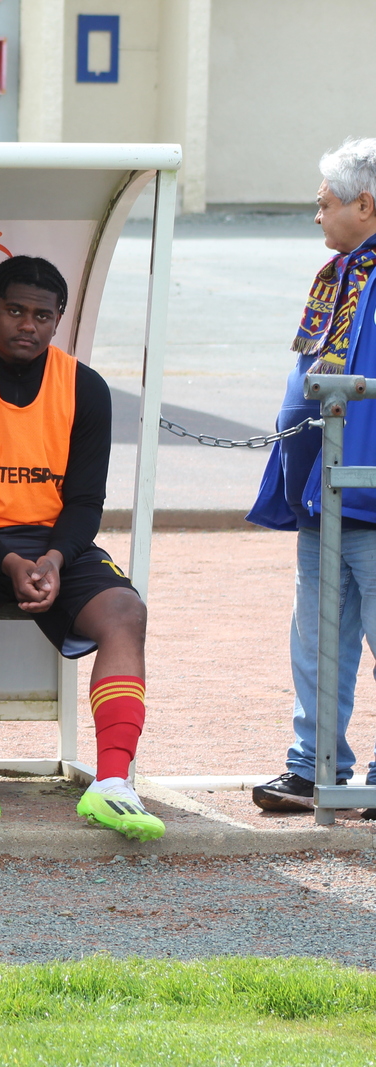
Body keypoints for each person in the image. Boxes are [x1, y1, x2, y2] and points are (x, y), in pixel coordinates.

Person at [0, 254, 164, 843]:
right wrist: (9, 561)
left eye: (42, 315)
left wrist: (52, 559)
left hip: (51, 544)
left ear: (59, 320)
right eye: (15, 311)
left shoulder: (85, 386)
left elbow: (85, 505)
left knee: (126, 612)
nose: (27, 325)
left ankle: (113, 783)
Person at [249, 137, 376, 819]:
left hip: (368, 485)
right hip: (322, 491)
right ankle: (314, 765)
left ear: (366, 203)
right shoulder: (338, 274)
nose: (317, 214)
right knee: (318, 637)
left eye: (327, 203)